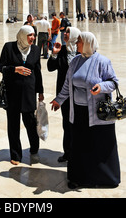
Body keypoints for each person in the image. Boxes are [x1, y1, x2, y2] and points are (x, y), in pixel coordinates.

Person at [51, 31, 120, 189]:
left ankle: (105, 178)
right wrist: (59, 100)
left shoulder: (103, 61)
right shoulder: (75, 61)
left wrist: (101, 87)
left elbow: (114, 82)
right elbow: (68, 85)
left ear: (88, 43)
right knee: (80, 147)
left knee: (98, 146)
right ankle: (78, 178)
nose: (77, 44)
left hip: (97, 114)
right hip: (79, 114)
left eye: (80, 41)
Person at [0, 25, 44, 165]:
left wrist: (40, 91)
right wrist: (15, 69)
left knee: (30, 121)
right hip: (12, 92)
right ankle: (15, 155)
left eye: (33, 35)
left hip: (29, 91)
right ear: (22, 35)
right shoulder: (9, 47)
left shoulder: (35, 50)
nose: (33, 38)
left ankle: (34, 147)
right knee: (13, 123)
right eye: (30, 35)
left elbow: (37, 71)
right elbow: (1, 67)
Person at [47, 26, 81, 162]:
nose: (64, 33)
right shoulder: (61, 51)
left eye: (67, 32)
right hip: (64, 95)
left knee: (77, 124)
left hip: (79, 95)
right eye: (65, 31)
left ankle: (78, 152)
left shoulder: (81, 53)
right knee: (66, 123)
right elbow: (50, 68)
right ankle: (67, 152)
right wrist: (54, 53)